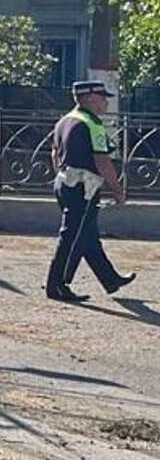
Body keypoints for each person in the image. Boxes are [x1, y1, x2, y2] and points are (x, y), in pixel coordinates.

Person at [46, 80, 138, 302]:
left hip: (65, 182)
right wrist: (117, 190)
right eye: (102, 97)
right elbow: (103, 161)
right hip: (82, 187)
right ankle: (56, 286)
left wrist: (62, 175)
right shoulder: (91, 123)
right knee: (72, 236)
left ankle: (110, 279)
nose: (106, 102)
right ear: (88, 98)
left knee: (87, 235)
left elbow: (54, 152)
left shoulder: (66, 120)